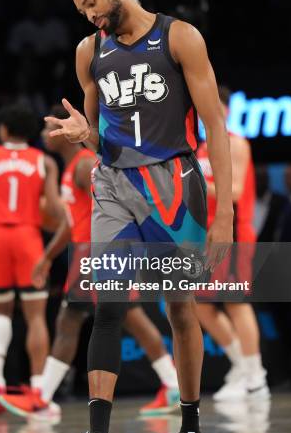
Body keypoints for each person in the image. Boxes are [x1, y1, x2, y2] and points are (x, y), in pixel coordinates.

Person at [45, 0, 233, 433]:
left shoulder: (180, 37)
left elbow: (215, 126)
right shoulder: (90, 52)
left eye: (91, 3)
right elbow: (97, 137)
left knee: (179, 309)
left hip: (173, 181)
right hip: (113, 185)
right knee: (107, 308)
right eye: (80, 9)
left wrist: (225, 213)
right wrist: (82, 133)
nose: (89, 15)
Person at [22, 103, 179, 417]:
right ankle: (172, 383)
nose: (43, 134)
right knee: (113, 317)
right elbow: (70, 223)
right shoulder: (71, 169)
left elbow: (118, 202)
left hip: (99, 253)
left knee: (85, 320)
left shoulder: (83, 166)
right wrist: (47, 257)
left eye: (47, 128)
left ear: (64, 131)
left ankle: (43, 398)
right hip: (89, 253)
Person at [0, 104, 65, 415]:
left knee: (1, 310)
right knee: (35, 316)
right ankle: (38, 389)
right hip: (28, 236)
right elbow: (53, 208)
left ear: (3, 130)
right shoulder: (44, 162)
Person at [196, 86, 269, 401]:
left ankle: (256, 378)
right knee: (200, 306)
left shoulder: (236, 143)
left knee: (236, 303)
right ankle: (242, 366)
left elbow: (236, 191)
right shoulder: (198, 150)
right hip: (205, 236)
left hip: (235, 231)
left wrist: (194, 180)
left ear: (223, 109)